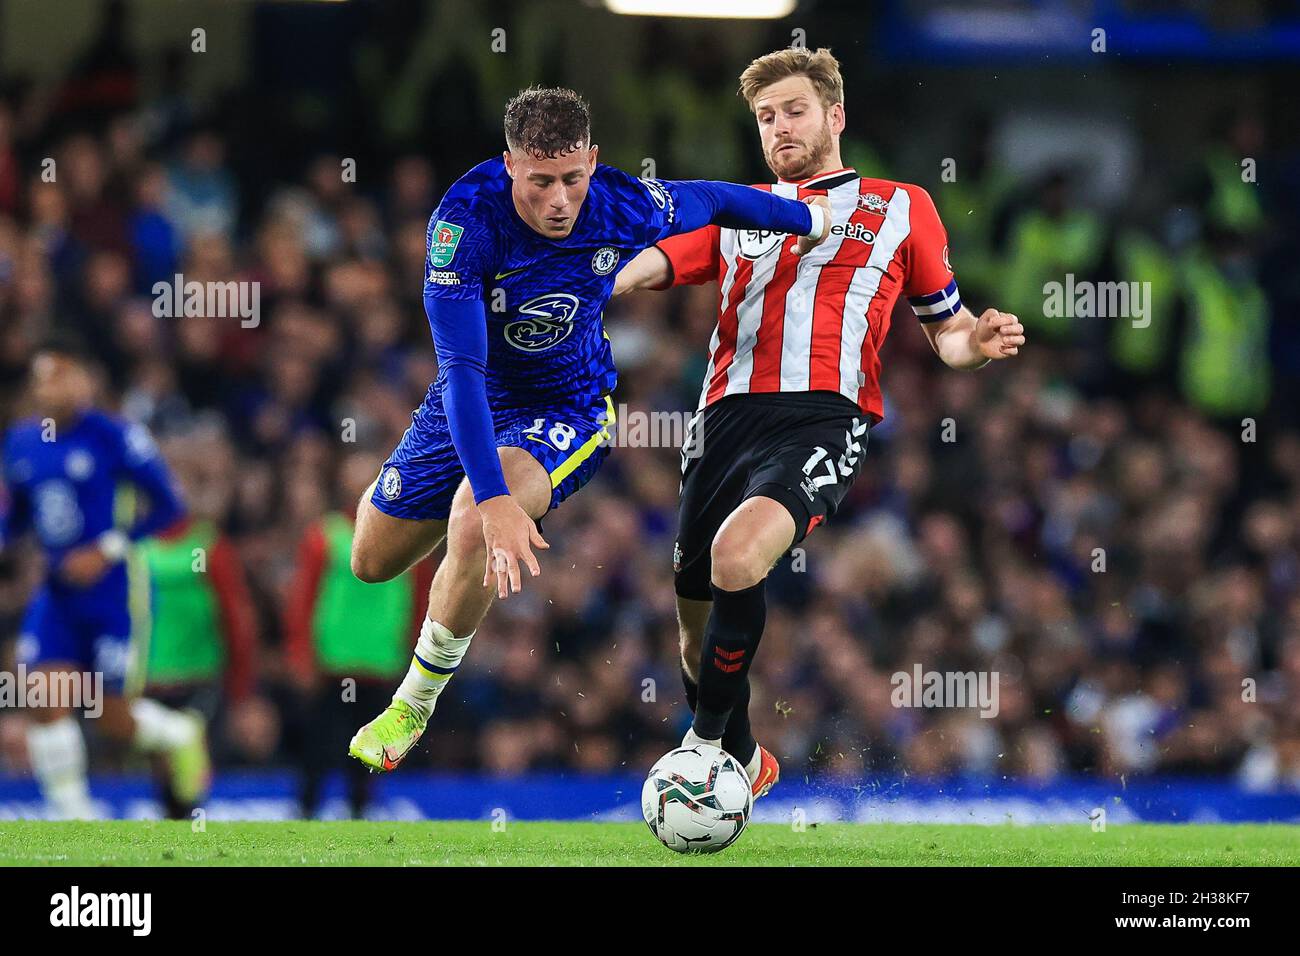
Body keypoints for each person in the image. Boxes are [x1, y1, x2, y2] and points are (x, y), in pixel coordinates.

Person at [347, 86, 833, 772]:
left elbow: (719, 201)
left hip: (567, 409)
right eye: (540, 181)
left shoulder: (621, 201)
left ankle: (412, 707)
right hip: (473, 394)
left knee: (473, 514)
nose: (558, 200)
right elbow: (458, 371)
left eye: (572, 179)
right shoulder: (464, 224)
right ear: (510, 164)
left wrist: (805, 218)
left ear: (593, 162)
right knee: (371, 562)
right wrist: (492, 500)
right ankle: (467, 526)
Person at [613, 48, 1025, 797]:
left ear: (835, 116)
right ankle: (741, 752)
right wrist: (602, 278)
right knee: (691, 625)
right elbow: (658, 261)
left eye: (794, 110)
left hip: (823, 419)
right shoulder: (739, 206)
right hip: (718, 423)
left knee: (738, 558)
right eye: (766, 117)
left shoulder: (900, 206)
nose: (779, 127)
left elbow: (949, 329)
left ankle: (703, 751)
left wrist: (979, 344)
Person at [0, 332, 209, 818]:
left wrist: (107, 548)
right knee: (44, 695)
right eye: (44, 377)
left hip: (115, 588)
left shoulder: (114, 435)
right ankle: (73, 817)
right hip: (58, 591)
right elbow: (21, 515)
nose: (51, 387)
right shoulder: (23, 440)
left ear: (83, 381)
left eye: (62, 375)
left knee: (111, 717)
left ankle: (180, 732)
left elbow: (171, 505)